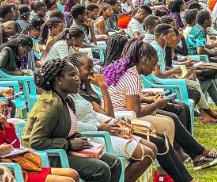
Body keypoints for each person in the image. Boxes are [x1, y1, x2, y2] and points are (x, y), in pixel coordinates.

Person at [68, 51, 197, 182]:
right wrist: (103, 88)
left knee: (160, 137)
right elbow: (80, 121)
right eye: (87, 69)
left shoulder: (80, 91)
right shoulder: (73, 94)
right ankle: (176, 175)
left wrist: (113, 122)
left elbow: (99, 115)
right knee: (157, 140)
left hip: (112, 124)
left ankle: (182, 175)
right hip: (99, 133)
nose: (92, 72)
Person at [103, 38, 217, 170]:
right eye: (153, 65)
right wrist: (156, 104)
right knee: (168, 122)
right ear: (145, 60)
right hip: (123, 117)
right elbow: (135, 112)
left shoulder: (126, 69)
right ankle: (166, 169)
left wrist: (149, 100)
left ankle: (197, 156)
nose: (153, 68)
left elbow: (126, 96)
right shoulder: (132, 75)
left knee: (173, 117)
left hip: (122, 111)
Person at [21, 59, 123, 182]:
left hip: (63, 149)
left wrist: (79, 139)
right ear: (59, 80)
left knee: (115, 163)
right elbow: (36, 141)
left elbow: (65, 130)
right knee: (100, 170)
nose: (77, 78)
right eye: (72, 75)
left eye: (76, 74)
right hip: (49, 155)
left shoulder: (67, 101)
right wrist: (68, 144)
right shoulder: (50, 105)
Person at [0, 77, 78, 182]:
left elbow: (14, 146)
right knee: (67, 181)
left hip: (17, 165)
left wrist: (6, 125)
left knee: (72, 174)